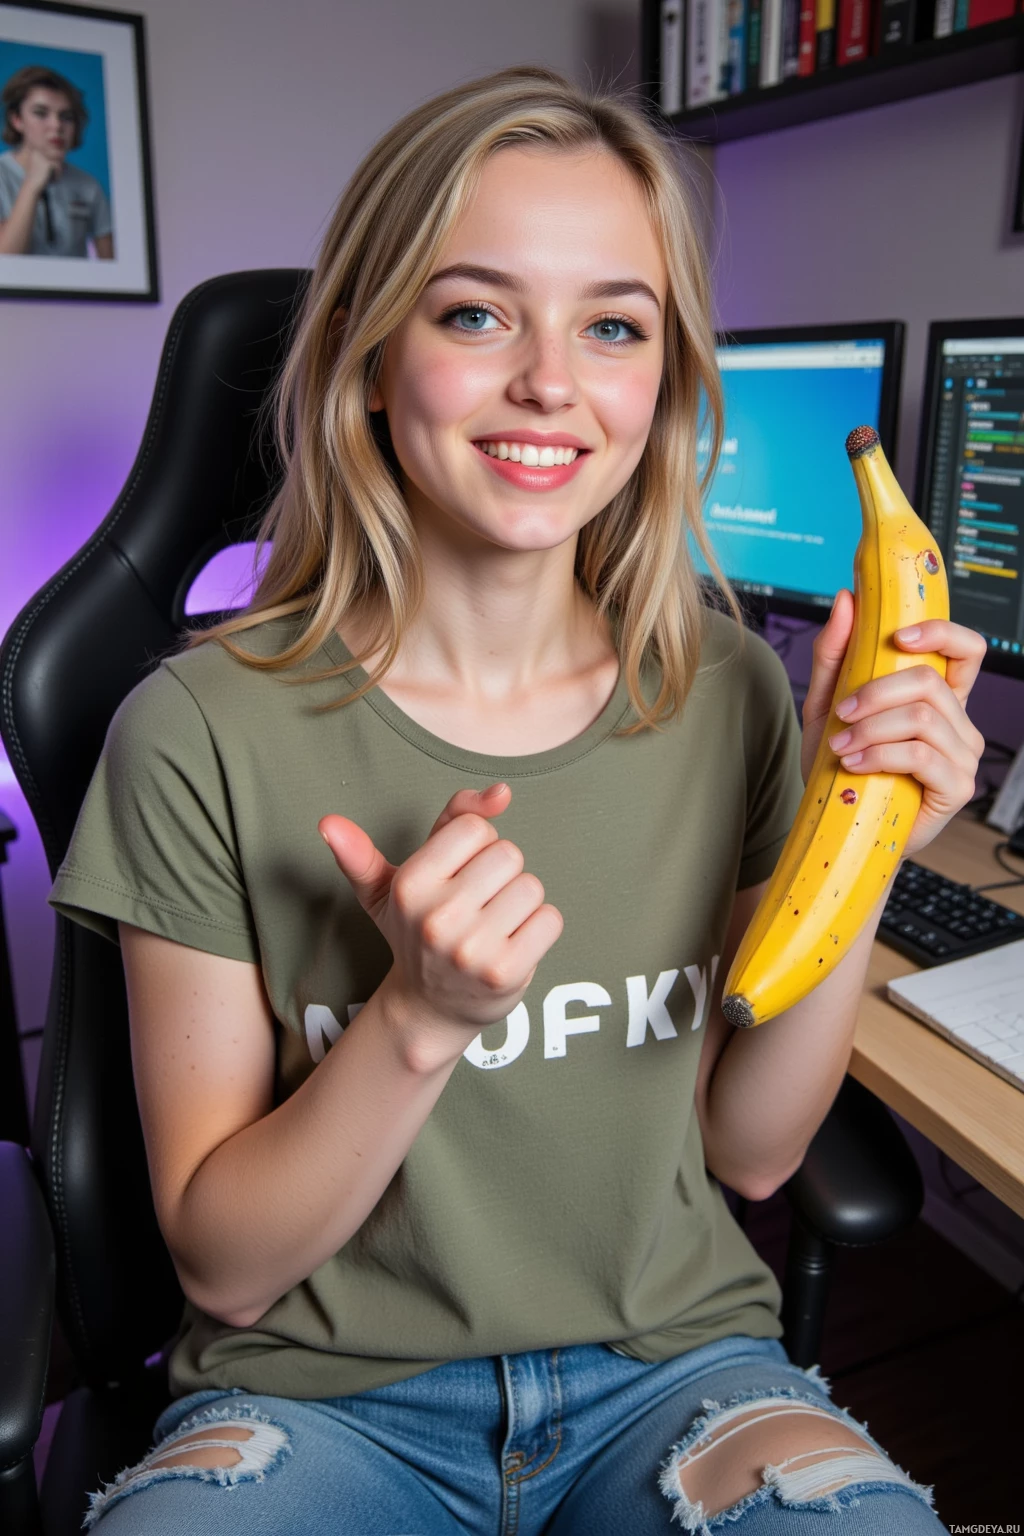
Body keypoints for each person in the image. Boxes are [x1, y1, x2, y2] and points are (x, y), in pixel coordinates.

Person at [48, 66, 983, 1535]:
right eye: (477, 314)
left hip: (674, 1373)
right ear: (370, 358)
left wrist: (863, 847)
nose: (552, 381)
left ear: (662, 383)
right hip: (319, 1401)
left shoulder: (732, 692)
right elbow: (225, 1266)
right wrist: (416, 1020)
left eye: (613, 326)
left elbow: (750, 1152)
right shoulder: (194, 734)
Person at [0, 64, 113, 258]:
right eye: (41, 113)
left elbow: (112, 264)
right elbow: (5, 259)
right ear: (17, 120)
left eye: (66, 117)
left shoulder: (89, 185)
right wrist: (32, 185)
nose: (56, 125)